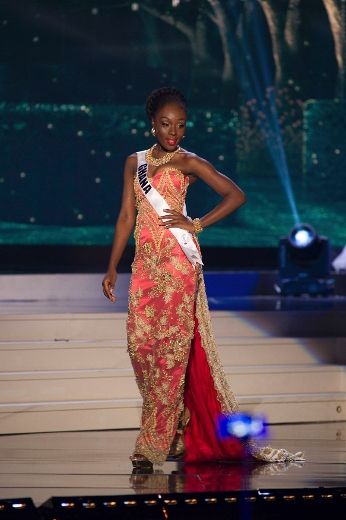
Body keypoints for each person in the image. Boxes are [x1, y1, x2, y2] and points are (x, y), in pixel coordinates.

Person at [102, 87, 304, 469]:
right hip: (145, 268)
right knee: (141, 349)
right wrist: (112, 265)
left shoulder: (189, 162)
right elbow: (126, 217)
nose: (172, 132)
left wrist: (196, 224)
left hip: (179, 267)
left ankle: (150, 448)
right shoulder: (134, 163)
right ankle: (177, 424)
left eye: (179, 125)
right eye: (165, 124)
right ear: (152, 124)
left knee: (171, 355)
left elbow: (235, 195)